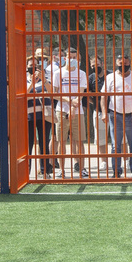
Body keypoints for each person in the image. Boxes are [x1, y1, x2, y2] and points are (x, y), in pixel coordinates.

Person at [101, 53, 132, 178]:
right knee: (116, 145)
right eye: (121, 64)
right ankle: (116, 171)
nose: (124, 66)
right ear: (116, 63)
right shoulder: (110, 77)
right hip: (115, 115)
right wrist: (104, 112)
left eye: (126, 64)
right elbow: (104, 97)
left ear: (130, 63)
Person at [52, 47, 88, 178]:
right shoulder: (58, 73)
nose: (72, 60)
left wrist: (73, 106)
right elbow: (55, 94)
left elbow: (81, 93)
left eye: (74, 58)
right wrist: (68, 100)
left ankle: (82, 168)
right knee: (61, 140)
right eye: (69, 57)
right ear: (64, 58)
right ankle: (62, 170)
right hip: (61, 110)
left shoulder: (81, 73)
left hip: (78, 111)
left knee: (79, 141)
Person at [27, 47, 54, 178]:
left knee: (44, 142)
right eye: (31, 65)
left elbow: (52, 92)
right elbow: (23, 93)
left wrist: (44, 80)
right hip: (29, 114)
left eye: (35, 65)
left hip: (44, 114)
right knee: (28, 144)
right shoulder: (23, 77)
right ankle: (26, 172)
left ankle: (45, 171)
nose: (33, 67)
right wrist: (32, 83)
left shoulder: (46, 74)